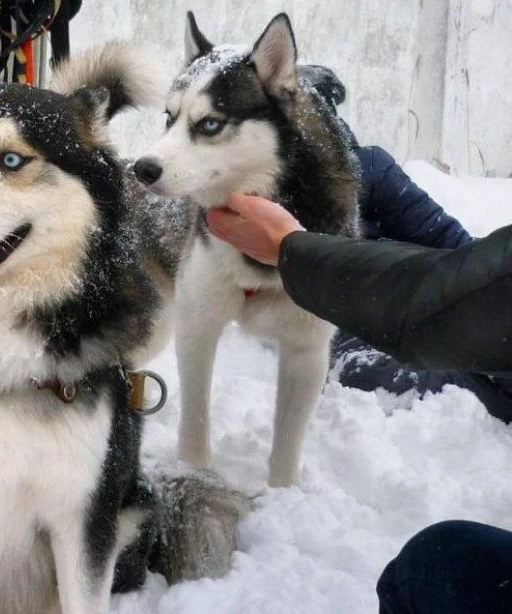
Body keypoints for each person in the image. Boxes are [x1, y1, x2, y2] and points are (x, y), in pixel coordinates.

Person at [207, 191, 512, 614]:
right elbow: (465, 277)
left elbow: (450, 291)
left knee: (427, 566)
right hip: (381, 288)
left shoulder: (358, 174)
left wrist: (291, 250)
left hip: (372, 291)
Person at [298, 64, 512, 423]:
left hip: (429, 299)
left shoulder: (368, 173)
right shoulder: (258, 203)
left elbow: (452, 243)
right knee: (386, 378)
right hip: (356, 328)